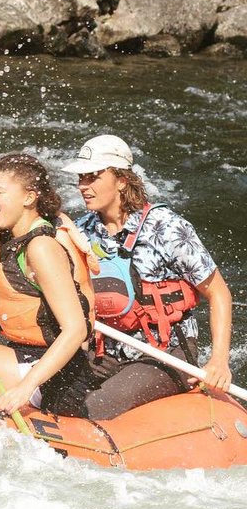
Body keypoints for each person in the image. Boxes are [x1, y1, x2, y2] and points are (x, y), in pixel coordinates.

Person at [62, 133, 234, 400]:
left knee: (98, 405)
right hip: (105, 350)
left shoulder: (167, 227)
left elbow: (219, 293)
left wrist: (219, 362)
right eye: (81, 178)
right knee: (59, 396)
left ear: (121, 180)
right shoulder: (81, 230)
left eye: (93, 176)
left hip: (166, 352)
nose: (83, 186)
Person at [0, 154, 100, 416]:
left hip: (56, 380)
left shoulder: (41, 247)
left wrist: (26, 386)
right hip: (23, 358)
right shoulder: (10, 237)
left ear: (29, 197)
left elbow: (76, 329)